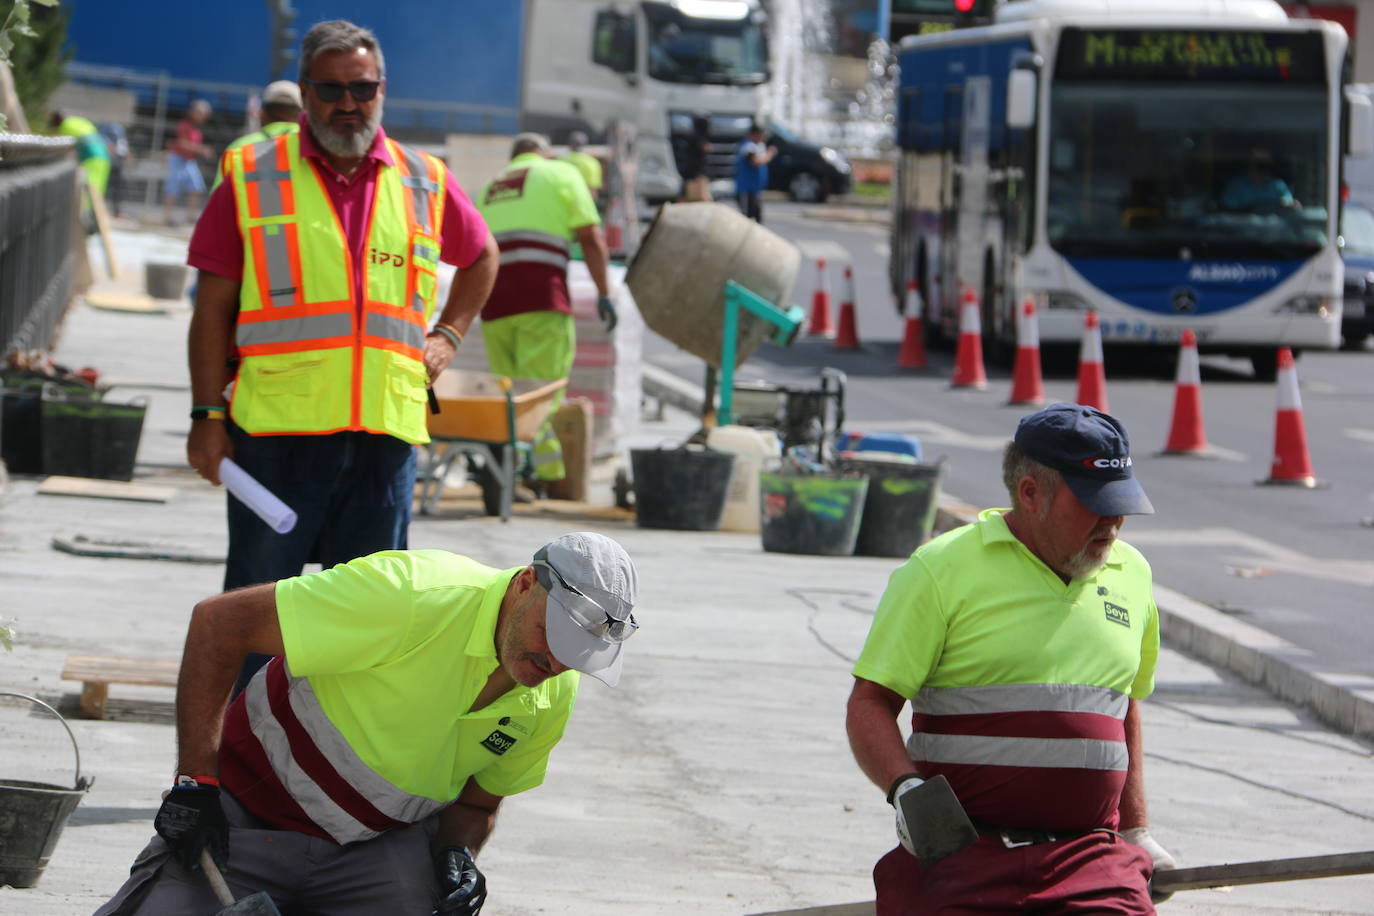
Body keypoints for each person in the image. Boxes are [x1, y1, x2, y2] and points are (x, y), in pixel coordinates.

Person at [184, 19, 499, 694]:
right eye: (331, 90)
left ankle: (342, 775)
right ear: (305, 93)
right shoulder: (251, 174)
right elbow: (211, 306)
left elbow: (482, 258)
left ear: (382, 90)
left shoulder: (423, 179)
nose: (348, 104)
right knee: (255, 615)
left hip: (383, 439)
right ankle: (228, 774)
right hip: (277, 440)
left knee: (374, 622)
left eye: (362, 88)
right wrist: (207, 414)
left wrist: (448, 335)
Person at [94, 531, 641, 915]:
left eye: (578, 655)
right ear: (525, 584)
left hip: (376, 847)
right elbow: (218, 623)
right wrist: (196, 784)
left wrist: (457, 857)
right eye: (555, 637)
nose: (558, 664)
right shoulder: (411, 596)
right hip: (243, 824)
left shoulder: (552, 692)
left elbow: (478, 805)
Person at [846, 403, 1178, 915]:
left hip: (1089, 859)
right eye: (1096, 502)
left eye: (1121, 503)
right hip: (960, 858)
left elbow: (1123, 708)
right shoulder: (940, 571)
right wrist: (907, 790)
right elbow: (870, 702)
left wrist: (1137, 830)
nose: (1114, 521)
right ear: (1030, 494)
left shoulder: (1132, 575)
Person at [474, 132, 614, 493]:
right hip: (541, 299)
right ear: (543, 152)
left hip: (494, 304)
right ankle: (533, 476)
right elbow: (591, 238)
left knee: (509, 394)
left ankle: (516, 472)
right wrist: (604, 292)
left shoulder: (489, 188)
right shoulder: (561, 174)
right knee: (541, 393)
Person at [211, 79, 303, 191]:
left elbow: (218, 199)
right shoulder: (313, 147)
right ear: (301, 115)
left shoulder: (238, 148)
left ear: (262, 114)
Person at [164, 98, 214, 227]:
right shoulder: (185, 125)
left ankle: (190, 217)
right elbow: (182, 144)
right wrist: (202, 149)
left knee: (196, 187)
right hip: (178, 158)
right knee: (173, 188)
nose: (203, 116)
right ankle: (167, 217)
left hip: (189, 160)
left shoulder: (195, 128)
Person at [48, 110, 111, 199]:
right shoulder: (75, 121)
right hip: (102, 155)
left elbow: (65, 149)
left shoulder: (66, 126)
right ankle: (91, 210)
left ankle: (85, 211)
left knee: (89, 187)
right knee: (96, 188)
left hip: (92, 156)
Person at [1221, 147, 1296, 212]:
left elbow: (1289, 202)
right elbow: (1226, 209)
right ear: (1251, 164)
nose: (1263, 169)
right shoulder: (1236, 187)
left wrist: (1289, 205)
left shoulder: (1277, 185)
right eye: (1259, 164)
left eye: (1266, 165)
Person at [734, 122, 775, 223]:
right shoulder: (748, 146)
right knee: (747, 218)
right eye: (761, 134)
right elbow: (755, 162)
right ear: (754, 134)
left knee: (757, 218)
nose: (763, 137)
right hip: (746, 190)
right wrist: (769, 154)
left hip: (755, 189)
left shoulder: (758, 145)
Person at [97, 120, 130, 217]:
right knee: (105, 186)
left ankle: (116, 211)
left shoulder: (119, 127)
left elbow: (122, 143)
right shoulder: (105, 126)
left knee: (118, 187)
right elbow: (102, 139)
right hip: (108, 160)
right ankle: (100, 210)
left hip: (118, 160)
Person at [678, 112, 712, 203]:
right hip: (695, 172)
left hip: (690, 171)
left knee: (685, 195)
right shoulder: (697, 138)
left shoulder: (692, 137)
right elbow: (699, 156)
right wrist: (698, 173)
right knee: (701, 197)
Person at [560, 130, 603, 195]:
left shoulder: (560, 161)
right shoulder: (592, 162)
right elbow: (592, 187)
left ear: (569, 144)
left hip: (563, 197)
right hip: (583, 198)